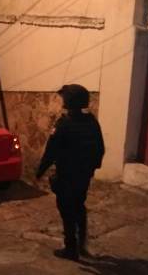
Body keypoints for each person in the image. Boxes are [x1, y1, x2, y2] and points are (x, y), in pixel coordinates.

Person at [35, 84, 105, 261]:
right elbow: (100, 148)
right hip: (83, 175)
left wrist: (39, 172)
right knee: (79, 206)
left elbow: (51, 151)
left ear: (69, 101)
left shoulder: (64, 124)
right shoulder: (91, 122)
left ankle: (70, 248)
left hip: (67, 175)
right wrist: (91, 168)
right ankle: (82, 244)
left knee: (66, 209)